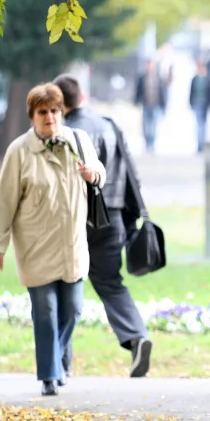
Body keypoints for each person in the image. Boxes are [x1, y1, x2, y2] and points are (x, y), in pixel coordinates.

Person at [0, 84, 106, 396]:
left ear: (62, 112)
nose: (50, 117)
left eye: (54, 111)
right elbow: (4, 203)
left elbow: (100, 172)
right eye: (43, 112)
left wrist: (93, 174)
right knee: (46, 313)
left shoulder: (78, 141)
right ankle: (50, 375)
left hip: (72, 245)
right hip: (35, 248)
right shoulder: (18, 151)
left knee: (74, 310)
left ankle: (56, 360)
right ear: (32, 117)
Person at [53, 75, 154, 379]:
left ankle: (60, 359)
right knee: (110, 281)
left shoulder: (63, 133)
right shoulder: (109, 125)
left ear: (59, 103)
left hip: (76, 217)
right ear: (81, 96)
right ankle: (137, 336)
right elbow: (128, 173)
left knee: (65, 281)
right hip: (112, 218)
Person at [135, 59, 167, 153]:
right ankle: (147, 143)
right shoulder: (143, 77)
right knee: (146, 125)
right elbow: (138, 90)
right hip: (146, 104)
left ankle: (152, 143)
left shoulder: (158, 78)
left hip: (155, 104)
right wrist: (137, 101)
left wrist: (163, 104)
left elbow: (162, 92)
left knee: (153, 125)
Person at [189, 62, 210, 153]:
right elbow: (191, 92)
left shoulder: (207, 80)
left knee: (203, 125)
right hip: (197, 104)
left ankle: (202, 143)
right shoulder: (195, 79)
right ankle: (200, 144)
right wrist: (191, 103)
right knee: (199, 125)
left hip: (205, 104)